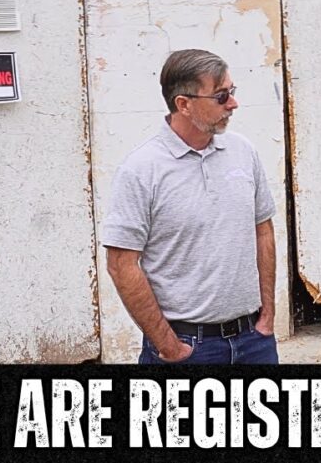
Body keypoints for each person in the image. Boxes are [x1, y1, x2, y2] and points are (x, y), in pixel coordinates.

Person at [103, 49, 279, 364]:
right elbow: (121, 264)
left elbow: (263, 230)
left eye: (232, 91)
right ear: (183, 104)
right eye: (221, 96)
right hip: (187, 348)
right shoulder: (141, 169)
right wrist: (169, 345)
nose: (233, 103)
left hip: (254, 341)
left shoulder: (243, 152)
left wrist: (268, 315)